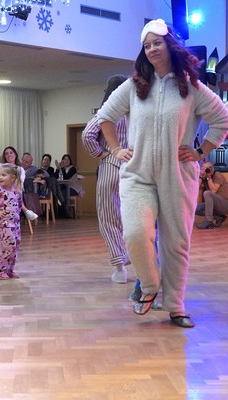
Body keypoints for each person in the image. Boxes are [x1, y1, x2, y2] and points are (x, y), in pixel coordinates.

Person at [96, 18, 228, 328]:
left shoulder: (192, 87)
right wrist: (116, 149)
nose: (152, 49)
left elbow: (223, 120)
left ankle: (175, 306)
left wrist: (200, 152)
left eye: (157, 43)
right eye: (147, 46)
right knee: (135, 233)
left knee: (175, 244)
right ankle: (149, 286)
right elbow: (105, 117)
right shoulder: (133, 86)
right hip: (137, 174)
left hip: (178, 175)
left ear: (170, 45)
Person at [82, 74, 130, 284]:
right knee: (134, 217)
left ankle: (120, 267)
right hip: (134, 167)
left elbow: (87, 135)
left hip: (111, 165)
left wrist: (100, 153)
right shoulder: (134, 112)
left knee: (109, 218)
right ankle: (141, 258)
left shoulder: (106, 111)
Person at [0, 164, 36, 280]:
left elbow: (20, 205)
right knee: (8, 246)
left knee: (15, 246)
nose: (0, 177)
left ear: (12, 177)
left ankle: (10, 269)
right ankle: (1, 269)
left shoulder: (17, 192)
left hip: (16, 225)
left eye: (3, 175)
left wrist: (27, 213)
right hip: (5, 225)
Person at [195, 160, 228, 229]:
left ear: (212, 169)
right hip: (216, 205)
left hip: (226, 204)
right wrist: (200, 176)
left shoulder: (218, 175)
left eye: (207, 168)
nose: (206, 170)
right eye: (203, 168)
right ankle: (218, 217)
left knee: (207, 193)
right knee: (195, 208)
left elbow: (213, 190)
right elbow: (196, 189)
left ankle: (209, 220)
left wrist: (209, 177)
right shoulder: (204, 178)